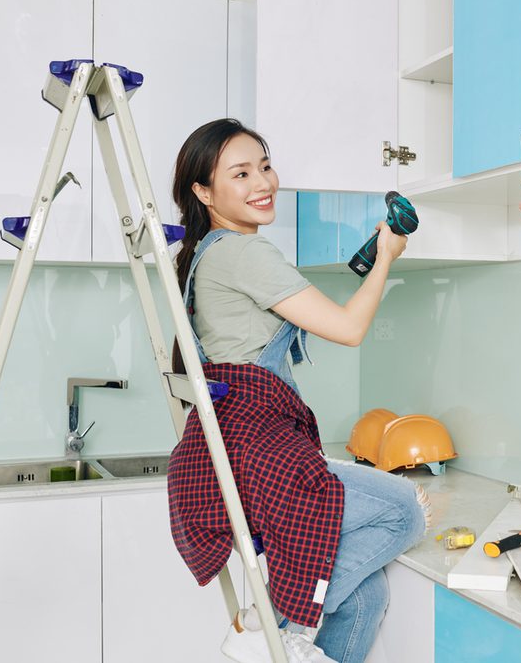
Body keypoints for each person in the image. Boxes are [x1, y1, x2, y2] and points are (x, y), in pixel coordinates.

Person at [165, 118, 431, 663]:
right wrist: (385, 258)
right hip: (256, 446)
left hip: (237, 449)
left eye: (264, 166)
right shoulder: (244, 253)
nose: (262, 182)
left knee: (364, 596)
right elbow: (350, 329)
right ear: (203, 191)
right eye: (240, 173)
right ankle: (267, 624)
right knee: (403, 510)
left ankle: (279, 629)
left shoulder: (206, 254)